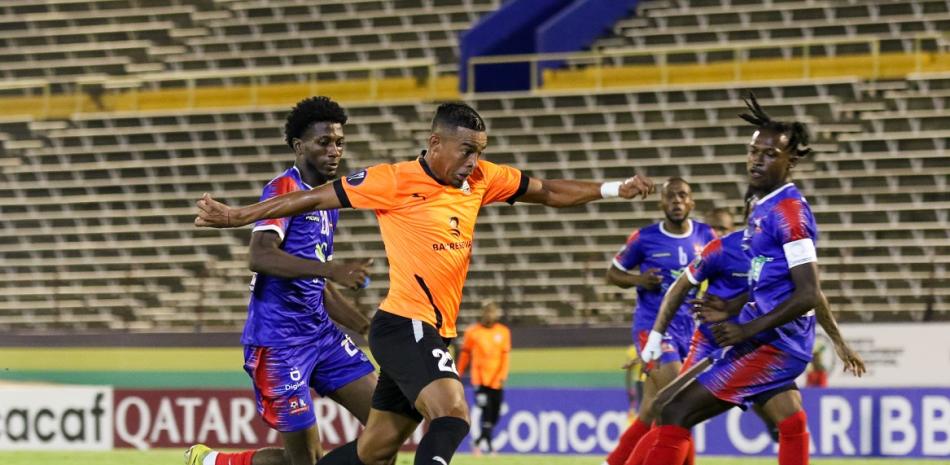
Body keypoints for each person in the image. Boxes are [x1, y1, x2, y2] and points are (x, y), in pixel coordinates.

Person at [194, 102, 655, 465]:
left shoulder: (481, 178)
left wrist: (614, 189)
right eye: (467, 151)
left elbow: (549, 191)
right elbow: (294, 215)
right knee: (450, 414)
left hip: (388, 330)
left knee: (376, 452)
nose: (475, 161)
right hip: (357, 331)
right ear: (435, 143)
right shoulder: (389, 181)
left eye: (481, 150)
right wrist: (237, 216)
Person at [186, 97, 379, 465]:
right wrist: (331, 268)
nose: (334, 151)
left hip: (320, 334)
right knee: (303, 461)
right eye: (324, 142)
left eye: (339, 142)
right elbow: (259, 255)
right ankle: (215, 462)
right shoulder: (283, 190)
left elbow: (316, 286)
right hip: (278, 344)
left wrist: (368, 326)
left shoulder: (327, 203)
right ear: (299, 146)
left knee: (386, 425)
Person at [640, 94, 823, 465]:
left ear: (792, 161)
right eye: (754, 150)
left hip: (775, 344)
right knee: (790, 417)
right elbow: (771, 282)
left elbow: (808, 293)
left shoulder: (788, 212)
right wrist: (733, 306)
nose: (758, 159)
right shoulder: (763, 207)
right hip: (763, 337)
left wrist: (744, 328)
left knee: (674, 410)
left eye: (770, 154)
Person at [623, 207, 864, 465]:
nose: (718, 233)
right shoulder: (720, 249)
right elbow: (679, 288)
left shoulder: (782, 250)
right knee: (670, 408)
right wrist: (656, 335)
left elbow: (810, 294)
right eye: (715, 228)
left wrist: (839, 343)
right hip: (718, 342)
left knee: (792, 417)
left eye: (724, 227)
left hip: (760, 343)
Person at [602, 177, 716, 465]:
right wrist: (638, 279)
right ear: (661, 202)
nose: (676, 201)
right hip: (652, 328)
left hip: (689, 329)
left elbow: (717, 273)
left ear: (691, 202)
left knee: (652, 409)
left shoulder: (706, 235)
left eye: (682, 196)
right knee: (679, 399)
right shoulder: (644, 238)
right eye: (670, 197)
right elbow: (613, 274)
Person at [456, 301, 511, 456]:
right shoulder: (473, 332)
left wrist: (502, 376)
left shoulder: (504, 332)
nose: (489, 315)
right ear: (483, 313)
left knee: (496, 413)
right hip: (480, 380)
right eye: (487, 312)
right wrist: (457, 373)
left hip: (497, 381)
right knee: (485, 411)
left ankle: (478, 441)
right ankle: (490, 447)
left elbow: (505, 357)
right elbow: (465, 355)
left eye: (492, 312)